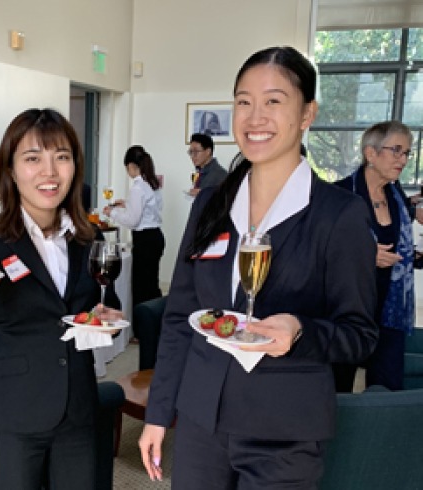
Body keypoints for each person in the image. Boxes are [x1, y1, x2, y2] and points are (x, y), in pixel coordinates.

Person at [138, 46, 378, 488]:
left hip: (284, 429)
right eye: (243, 101)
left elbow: (359, 335)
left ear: (307, 114)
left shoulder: (338, 215)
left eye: (273, 101)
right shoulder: (212, 203)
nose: (254, 117)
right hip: (201, 421)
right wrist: (158, 413)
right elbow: (179, 318)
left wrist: (301, 331)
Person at [0, 108, 124, 490]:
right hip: (11, 422)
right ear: (11, 170)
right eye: (33, 159)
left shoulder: (88, 240)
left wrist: (108, 321)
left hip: (77, 413)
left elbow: (102, 316)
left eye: (61, 157)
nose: (49, 172)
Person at [333, 121, 420, 391]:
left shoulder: (399, 199)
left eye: (407, 153)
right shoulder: (338, 195)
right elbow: (320, 251)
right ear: (370, 154)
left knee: (388, 384)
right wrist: (364, 255)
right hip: (347, 307)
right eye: (396, 150)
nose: (403, 159)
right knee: (338, 386)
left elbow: (402, 248)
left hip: (391, 309)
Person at [102, 145, 165, 306]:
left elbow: (133, 220)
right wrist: (127, 203)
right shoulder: (152, 182)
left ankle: (143, 329)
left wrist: (112, 212)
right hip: (156, 236)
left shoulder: (138, 187)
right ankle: (155, 325)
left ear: (130, 166)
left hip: (145, 240)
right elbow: (149, 210)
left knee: (141, 288)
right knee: (151, 285)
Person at [187, 132, 227, 197]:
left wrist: (203, 194)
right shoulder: (200, 171)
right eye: (191, 152)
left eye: (196, 151)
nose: (192, 156)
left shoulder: (219, 174)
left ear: (208, 151)